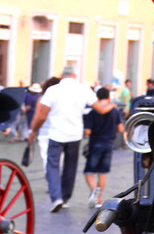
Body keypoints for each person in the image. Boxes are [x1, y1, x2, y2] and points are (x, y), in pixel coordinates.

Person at [27, 65, 101, 212]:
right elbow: (98, 108)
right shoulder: (84, 89)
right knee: (70, 167)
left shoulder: (53, 90)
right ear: (74, 75)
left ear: (62, 75)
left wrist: (33, 130)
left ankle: (56, 197)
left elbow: (41, 115)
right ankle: (65, 197)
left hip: (56, 134)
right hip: (75, 134)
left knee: (52, 165)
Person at [83, 87, 124, 208]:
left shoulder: (92, 112)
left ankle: (94, 192)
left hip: (95, 143)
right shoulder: (115, 111)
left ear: (97, 97)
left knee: (89, 172)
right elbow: (121, 129)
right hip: (109, 144)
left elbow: (88, 132)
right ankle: (98, 199)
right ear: (108, 97)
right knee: (102, 173)